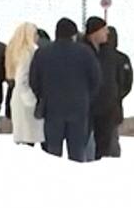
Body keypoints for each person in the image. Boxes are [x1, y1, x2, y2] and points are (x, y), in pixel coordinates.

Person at [30, 17, 101, 162]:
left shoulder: (42, 53)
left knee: (52, 153)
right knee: (76, 152)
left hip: (52, 107)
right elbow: (96, 79)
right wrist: (87, 97)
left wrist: (42, 96)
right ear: (73, 35)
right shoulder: (85, 52)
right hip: (78, 107)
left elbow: (34, 80)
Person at [88, 25, 133, 158]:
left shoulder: (93, 55)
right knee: (110, 140)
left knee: (94, 140)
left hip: (93, 105)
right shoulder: (122, 58)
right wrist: (117, 96)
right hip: (113, 106)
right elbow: (127, 83)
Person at [5, 23, 44, 146]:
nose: (38, 37)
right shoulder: (27, 53)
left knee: (22, 137)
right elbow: (22, 79)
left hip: (18, 98)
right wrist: (32, 100)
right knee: (28, 138)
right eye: (35, 33)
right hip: (25, 101)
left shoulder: (15, 51)